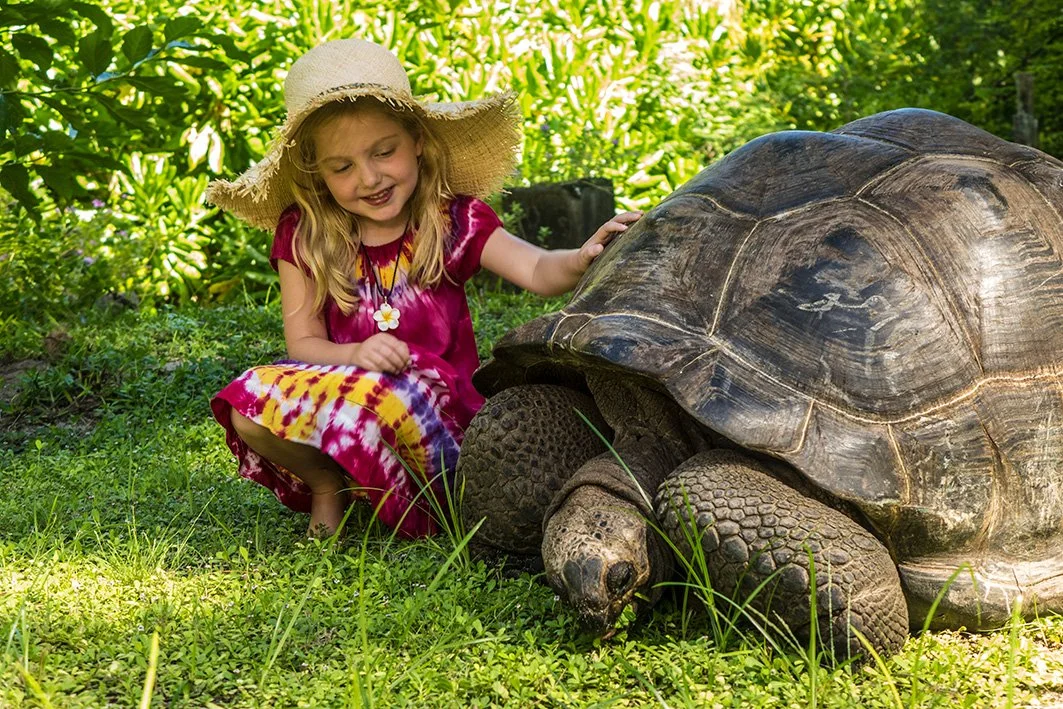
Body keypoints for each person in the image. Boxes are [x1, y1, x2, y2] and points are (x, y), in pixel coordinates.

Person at [206, 38, 641, 539]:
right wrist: (357, 352)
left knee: (389, 395)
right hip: (350, 390)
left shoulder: (454, 220)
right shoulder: (304, 233)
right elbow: (303, 346)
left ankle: (424, 495)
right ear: (317, 173)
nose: (369, 178)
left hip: (438, 416)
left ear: (415, 139)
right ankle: (328, 482)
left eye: (383, 152)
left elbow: (540, 270)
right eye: (342, 167)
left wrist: (582, 256)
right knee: (250, 405)